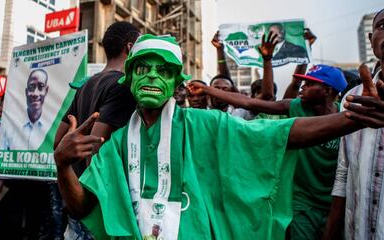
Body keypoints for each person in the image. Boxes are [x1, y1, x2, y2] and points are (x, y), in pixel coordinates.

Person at [54, 34, 384, 240]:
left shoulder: (208, 126)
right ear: (129, 77)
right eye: (143, 68)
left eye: (164, 69)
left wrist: (349, 119)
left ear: (176, 81)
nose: (153, 75)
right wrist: (63, 166)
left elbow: (279, 134)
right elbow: (83, 205)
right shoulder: (118, 143)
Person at [188, 64, 348, 239]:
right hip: (302, 201)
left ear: (327, 90)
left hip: (335, 202)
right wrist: (206, 89)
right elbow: (250, 102)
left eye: (310, 84)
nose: (303, 87)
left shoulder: (346, 116)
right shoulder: (295, 106)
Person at [54, 21, 140, 239]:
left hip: (77, 195)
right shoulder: (123, 85)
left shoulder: (87, 85)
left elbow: (59, 142)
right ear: (130, 47)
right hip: (98, 207)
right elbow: (96, 150)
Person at [323, 9, 384, 240]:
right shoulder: (353, 98)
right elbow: (344, 171)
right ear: (371, 40)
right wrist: (330, 231)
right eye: (382, 25)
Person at [0, 68, 49, 150]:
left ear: (46, 90)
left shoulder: (52, 128)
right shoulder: (9, 126)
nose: (35, 94)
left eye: (41, 87)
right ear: (26, 92)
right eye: (31, 87)